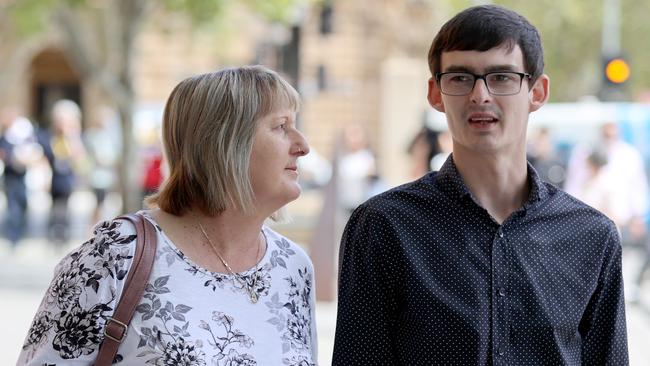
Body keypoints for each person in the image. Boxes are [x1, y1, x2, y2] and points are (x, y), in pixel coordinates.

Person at [333, 5, 628, 365]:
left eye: (502, 77)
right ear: (435, 93)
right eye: (460, 78)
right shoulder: (384, 227)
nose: (480, 96)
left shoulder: (591, 236)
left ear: (537, 92)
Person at [18, 66, 318, 365]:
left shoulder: (293, 267)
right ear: (225, 141)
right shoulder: (116, 255)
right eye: (281, 126)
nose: (303, 146)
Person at [38, 99, 88, 245]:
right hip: (53, 178)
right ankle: (52, 234)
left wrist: (72, 135)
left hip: (68, 178)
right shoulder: (47, 136)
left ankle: (62, 235)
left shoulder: (75, 137)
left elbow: (80, 159)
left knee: (64, 207)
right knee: (54, 208)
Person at [0, 107, 42, 248]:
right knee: (13, 207)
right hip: (11, 176)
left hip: (25, 176)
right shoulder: (5, 137)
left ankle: (21, 231)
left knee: (23, 205)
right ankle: (14, 237)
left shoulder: (24, 134)